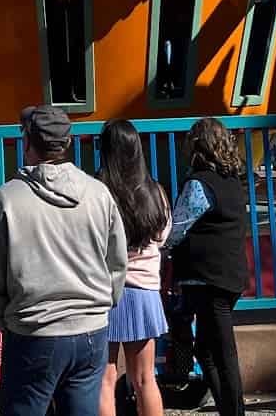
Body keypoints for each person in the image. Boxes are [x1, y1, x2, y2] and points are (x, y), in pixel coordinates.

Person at [0, 105, 127, 416]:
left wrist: (1, 317)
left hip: (33, 330)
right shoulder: (99, 194)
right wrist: (103, 303)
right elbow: (116, 262)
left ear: (27, 142)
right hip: (91, 329)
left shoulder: (8, 198)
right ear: (68, 142)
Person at [168, 119, 248, 416]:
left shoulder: (199, 184)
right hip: (230, 274)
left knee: (223, 355)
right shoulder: (233, 181)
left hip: (207, 278)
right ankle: (228, 409)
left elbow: (178, 227)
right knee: (207, 350)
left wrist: (160, 246)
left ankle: (234, 411)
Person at [97, 120, 170, 416]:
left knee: (103, 381)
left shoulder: (98, 191)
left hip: (104, 293)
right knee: (145, 379)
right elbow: (163, 237)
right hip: (144, 293)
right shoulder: (155, 192)